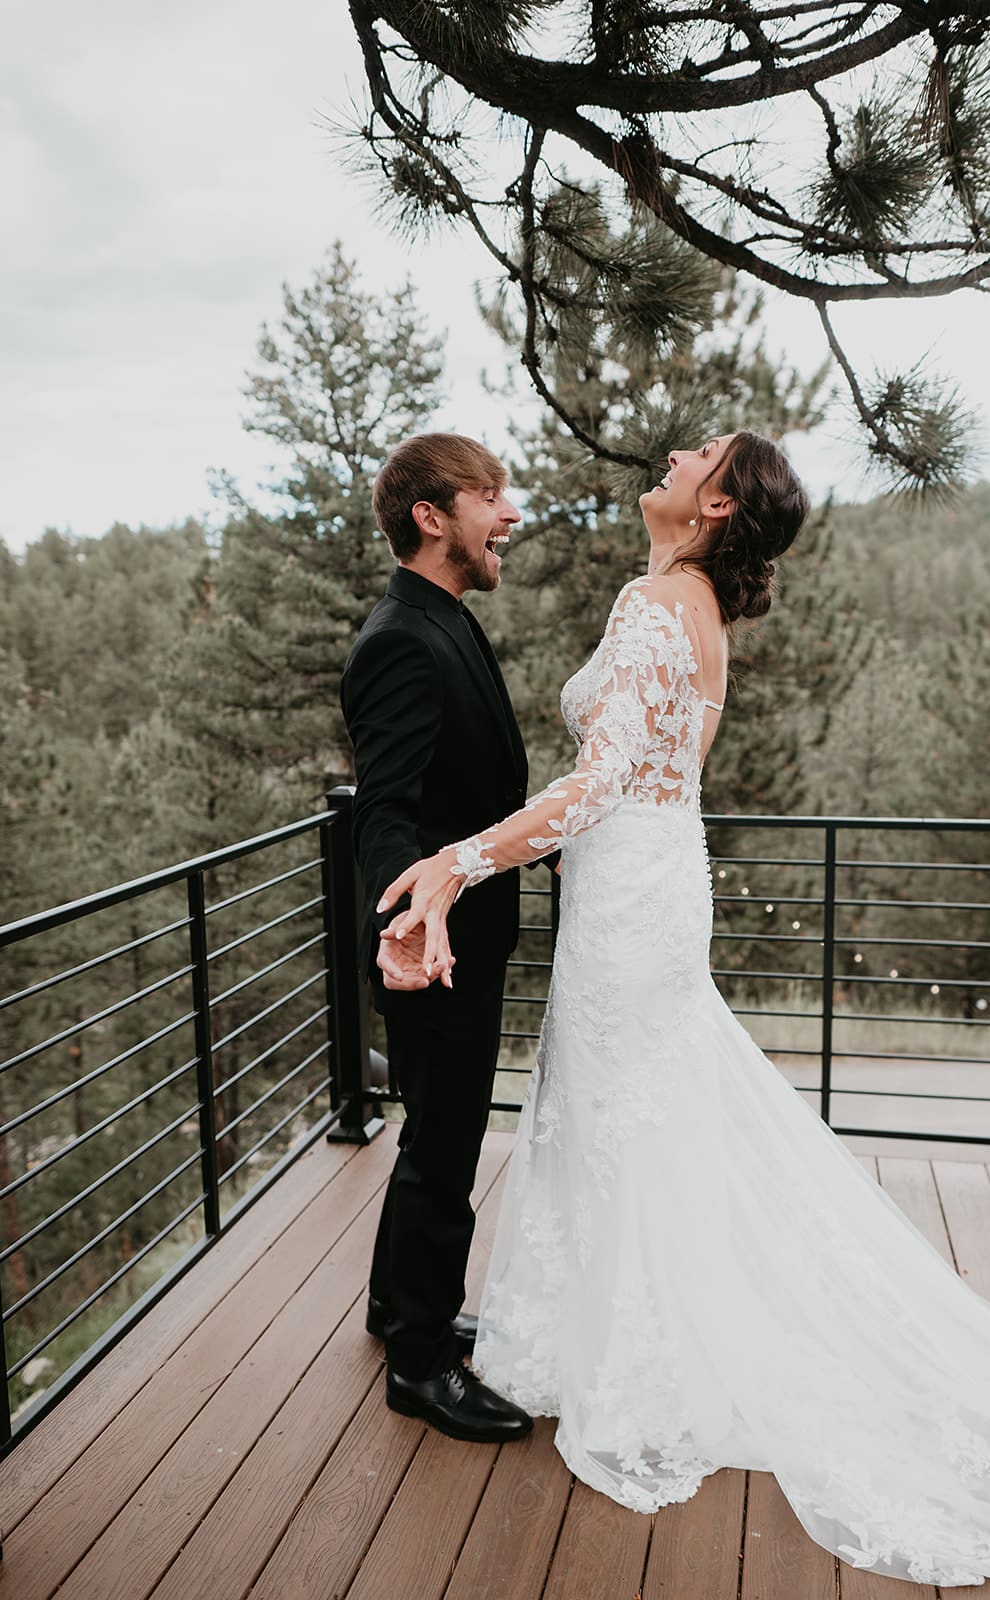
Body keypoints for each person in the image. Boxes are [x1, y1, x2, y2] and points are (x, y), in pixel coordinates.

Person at [376, 431, 990, 1588]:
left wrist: (456, 863)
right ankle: (615, 1330)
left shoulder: (660, 602)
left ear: (713, 505)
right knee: (626, 1113)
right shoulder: (684, 598)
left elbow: (601, 784)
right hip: (644, 878)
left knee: (621, 1112)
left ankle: (641, 1361)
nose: (680, 450)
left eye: (704, 453)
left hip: (629, 889)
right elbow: (652, 775)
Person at [339, 432, 556, 1446]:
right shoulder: (398, 637)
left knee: (434, 1135)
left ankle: (396, 1309)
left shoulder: (443, 619)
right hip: (436, 949)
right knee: (445, 1147)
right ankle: (422, 1366)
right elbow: (381, 811)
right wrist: (405, 927)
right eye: (490, 496)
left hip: (462, 930)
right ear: (434, 516)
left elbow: (464, 786)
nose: (507, 514)